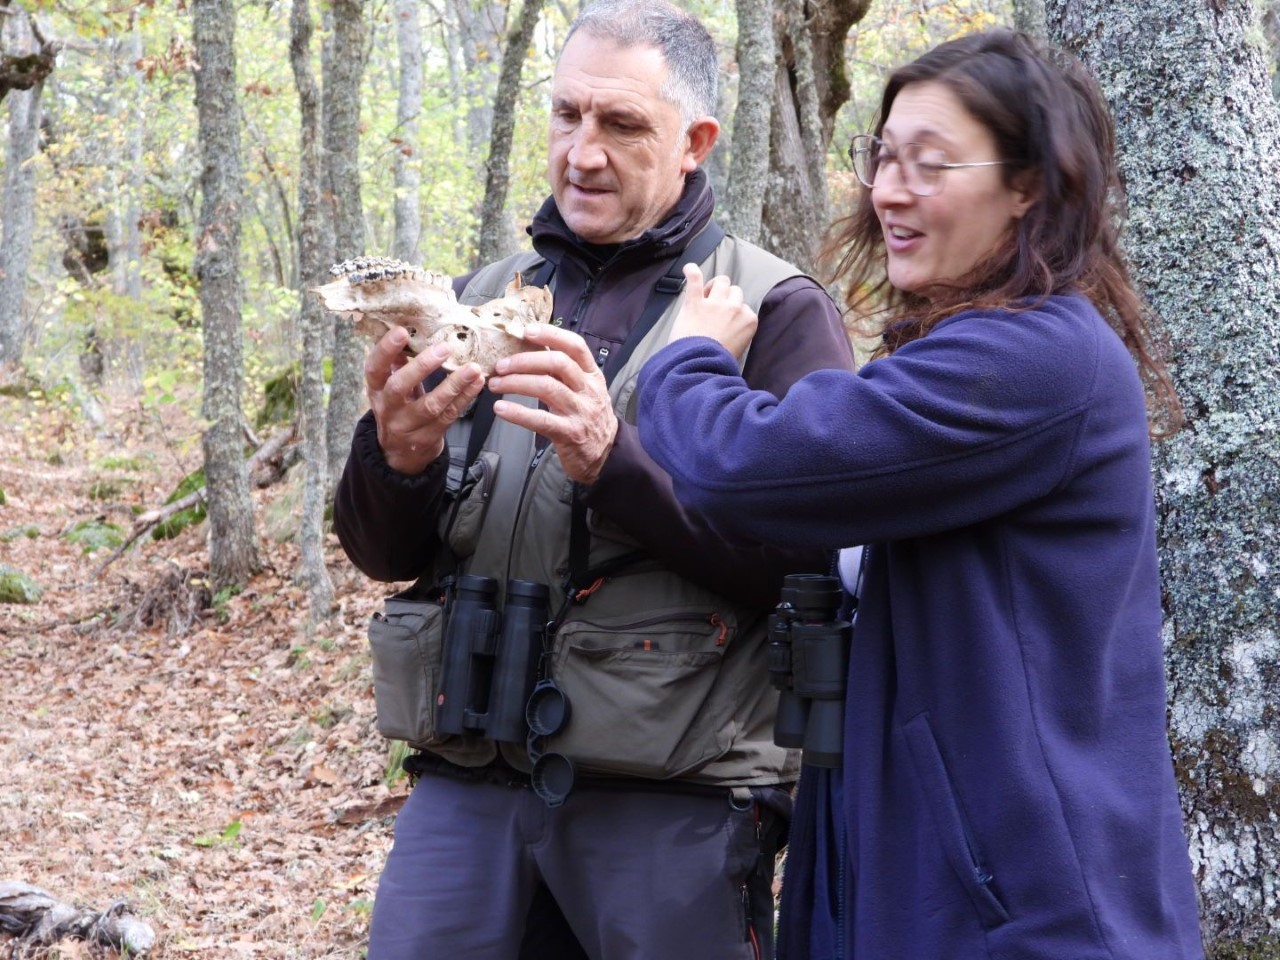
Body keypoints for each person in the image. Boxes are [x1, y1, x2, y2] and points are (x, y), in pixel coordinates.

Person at [635, 28, 1205, 960]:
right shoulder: (972, 348)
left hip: (1026, 910)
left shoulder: (1036, 360)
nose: (889, 191)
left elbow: (747, 465)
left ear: (1028, 187)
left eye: (930, 165)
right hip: (933, 882)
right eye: (884, 157)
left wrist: (689, 358)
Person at [332, 0, 856, 957]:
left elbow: (808, 567)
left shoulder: (772, 310)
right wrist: (394, 458)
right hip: (468, 787)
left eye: (621, 124)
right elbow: (384, 553)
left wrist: (613, 463)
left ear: (695, 141)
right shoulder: (480, 300)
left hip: (674, 803)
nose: (582, 153)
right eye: (567, 115)